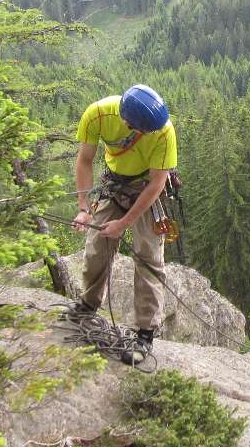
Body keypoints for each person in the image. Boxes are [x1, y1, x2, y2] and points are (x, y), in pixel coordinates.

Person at [71, 84, 177, 365]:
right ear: (128, 122)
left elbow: (156, 184)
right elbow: (85, 160)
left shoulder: (164, 130)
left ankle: (145, 333)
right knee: (97, 248)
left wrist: (124, 223)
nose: (152, 133)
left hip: (146, 189)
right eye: (146, 130)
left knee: (149, 256)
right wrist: (83, 209)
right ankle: (88, 305)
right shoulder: (97, 115)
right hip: (115, 183)